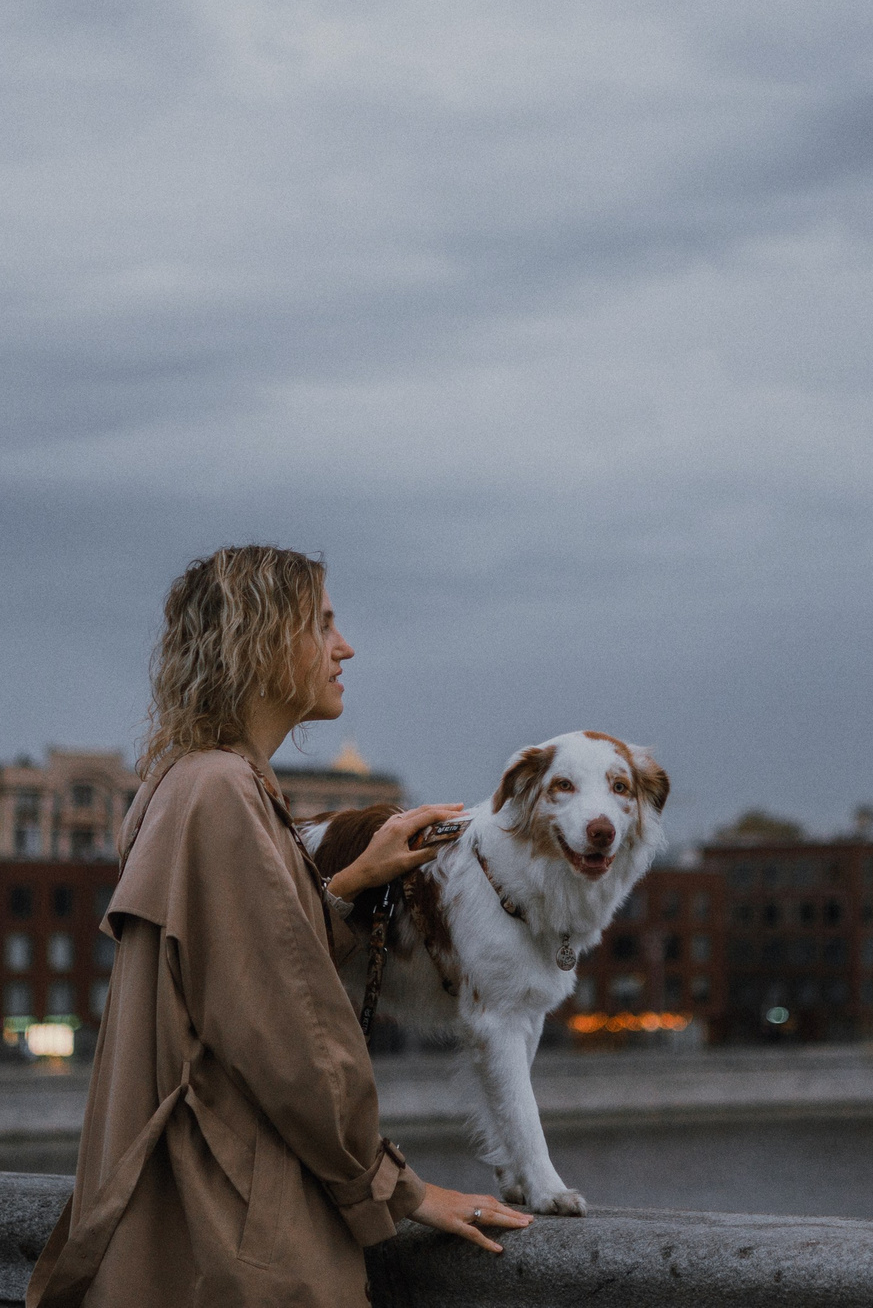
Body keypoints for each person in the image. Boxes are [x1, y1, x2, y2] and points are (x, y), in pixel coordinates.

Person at [27, 545, 532, 1308]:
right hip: (237, 1242)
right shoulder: (224, 793)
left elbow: (234, 968)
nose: (345, 646)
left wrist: (350, 884)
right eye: (322, 624)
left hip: (182, 1228)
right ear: (263, 643)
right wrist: (402, 1190)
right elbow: (288, 1036)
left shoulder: (178, 782)